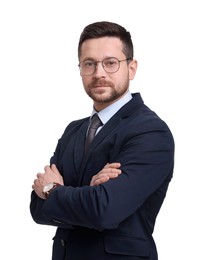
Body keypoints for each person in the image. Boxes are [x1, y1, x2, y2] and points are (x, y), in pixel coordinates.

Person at [30, 21, 175, 260]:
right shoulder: (73, 131)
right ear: (80, 70)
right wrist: (88, 195)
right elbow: (37, 209)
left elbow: (104, 210)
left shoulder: (150, 131)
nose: (99, 73)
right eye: (90, 64)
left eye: (110, 63)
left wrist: (54, 190)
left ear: (131, 68)